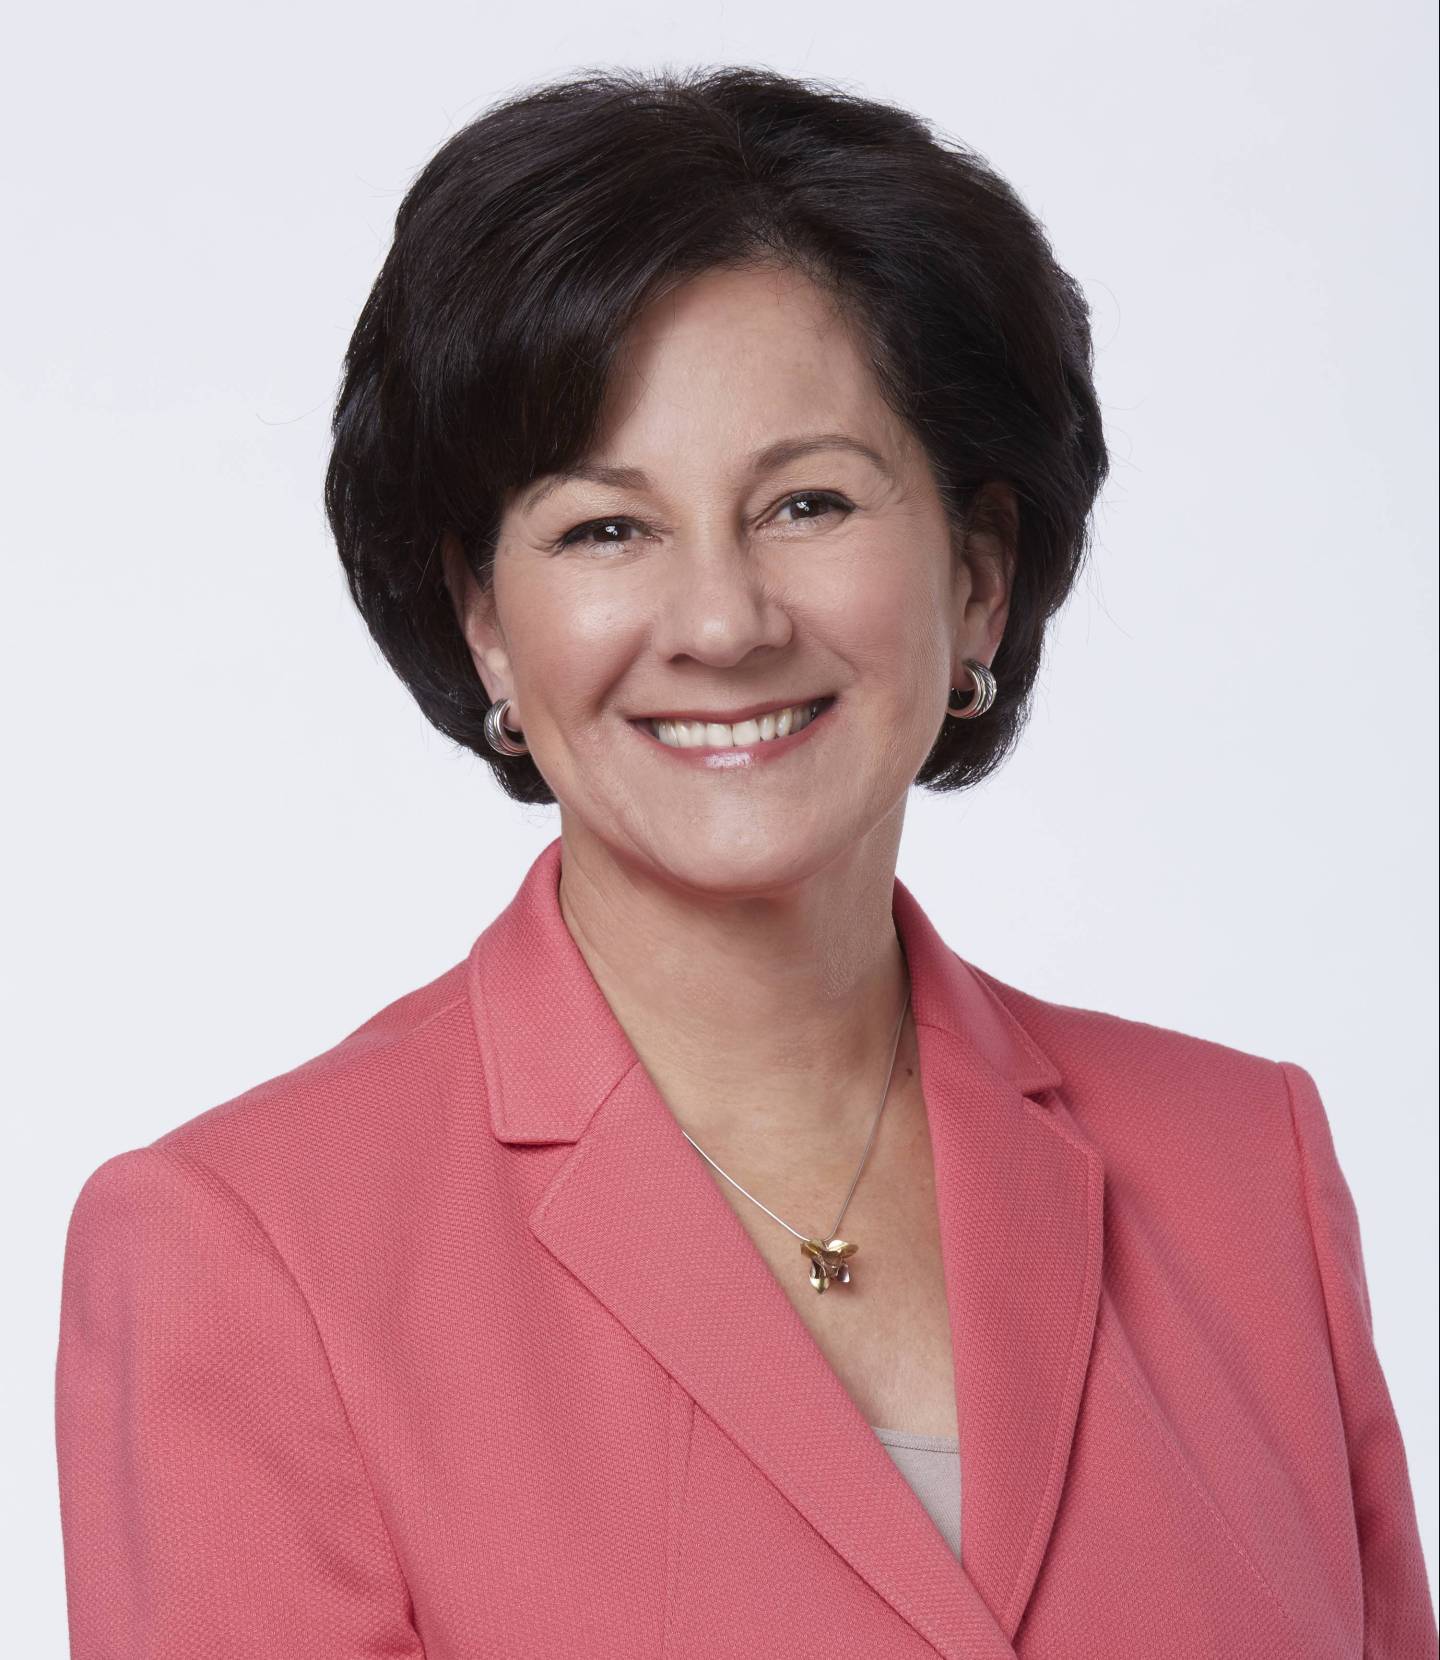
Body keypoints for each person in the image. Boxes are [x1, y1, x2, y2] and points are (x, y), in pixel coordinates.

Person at [54, 65, 1437, 1660]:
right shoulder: (246, 1254)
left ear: (978, 578)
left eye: (808, 502)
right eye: (605, 529)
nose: (722, 622)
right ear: (486, 620)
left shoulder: (1246, 1173)